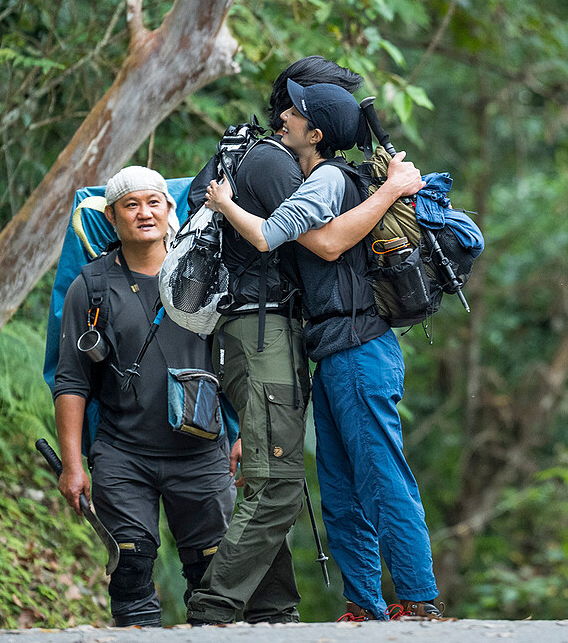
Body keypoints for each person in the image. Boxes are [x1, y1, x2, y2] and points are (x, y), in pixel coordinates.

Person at [185, 59, 425, 625]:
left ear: (315, 132)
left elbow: (320, 242)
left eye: (297, 112)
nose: (285, 116)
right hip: (332, 348)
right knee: (341, 487)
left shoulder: (332, 178)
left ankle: (419, 597)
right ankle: (364, 604)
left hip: (360, 345)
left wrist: (226, 206)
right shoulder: (303, 169)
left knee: (381, 476)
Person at [51, 166, 239, 627]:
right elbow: (71, 381)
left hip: (201, 455)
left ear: (170, 210)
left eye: (153, 202)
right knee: (131, 573)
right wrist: (73, 464)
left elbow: (240, 364)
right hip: (122, 455)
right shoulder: (91, 288)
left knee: (212, 578)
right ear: (113, 218)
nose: (144, 213)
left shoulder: (207, 276)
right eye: (131, 205)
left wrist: (246, 434)